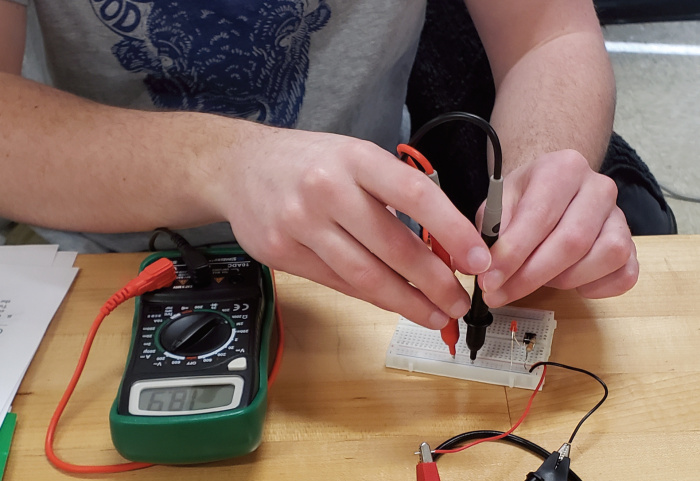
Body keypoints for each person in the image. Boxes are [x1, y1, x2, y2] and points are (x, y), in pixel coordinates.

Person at [0, 0, 638, 332]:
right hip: (89, 261)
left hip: (375, 256)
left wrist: (540, 182)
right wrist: (223, 164)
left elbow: (549, 36)